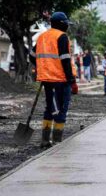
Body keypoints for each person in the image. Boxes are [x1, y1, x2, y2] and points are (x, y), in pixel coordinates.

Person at [29, 12, 76, 148]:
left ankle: (45, 140)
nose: (67, 26)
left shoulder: (42, 37)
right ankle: (57, 141)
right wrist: (71, 80)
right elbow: (65, 60)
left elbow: (32, 56)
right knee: (61, 109)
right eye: (66, 23)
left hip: (47, 79)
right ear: (62, 24)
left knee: (50, 108)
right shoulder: (61, 37)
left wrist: (43, 67)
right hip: (60, 79)